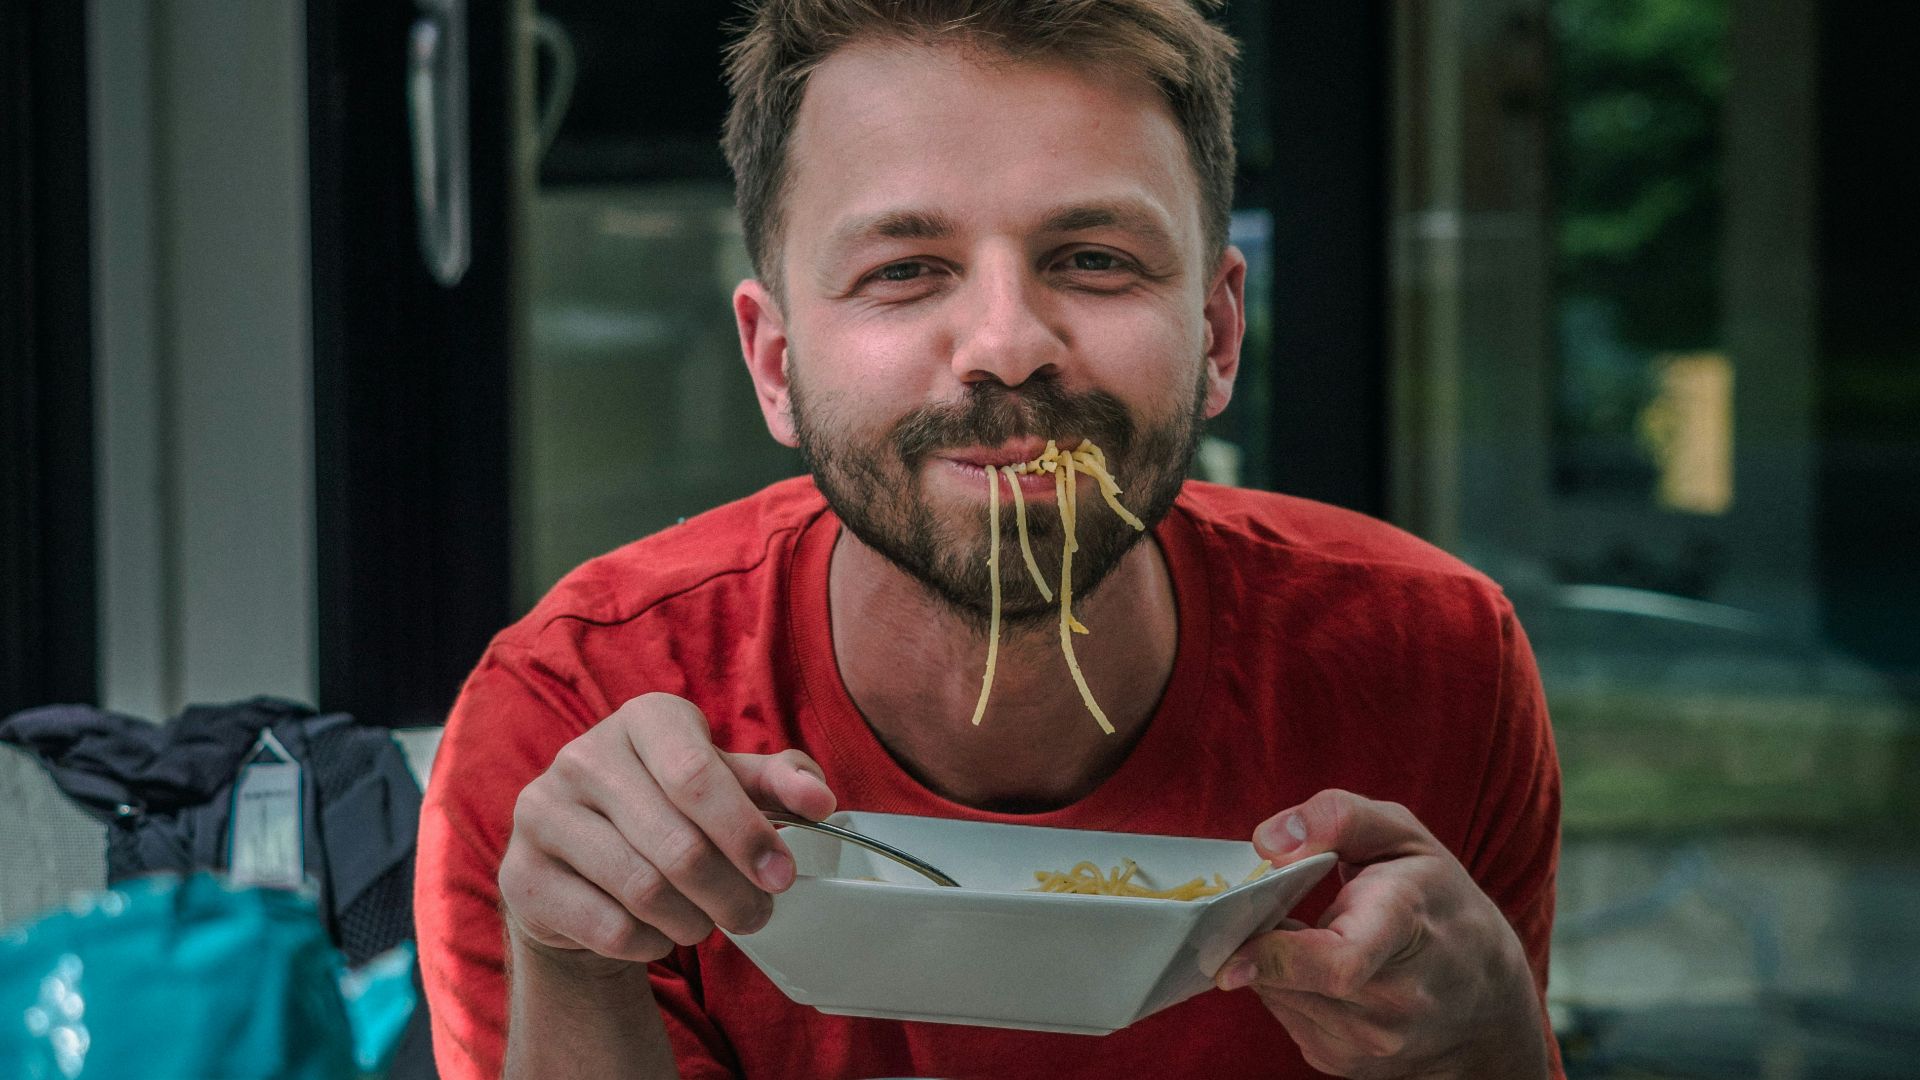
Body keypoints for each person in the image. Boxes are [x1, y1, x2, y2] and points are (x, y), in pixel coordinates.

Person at [414, 1, 1564, 1077]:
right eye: (905, 272)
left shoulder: (1436, 665)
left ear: (1217, 333)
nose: (1007, 345)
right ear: (775, 365)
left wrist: (1500, 1040)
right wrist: (570, 959)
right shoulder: (568, 727)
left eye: (1095, 259)